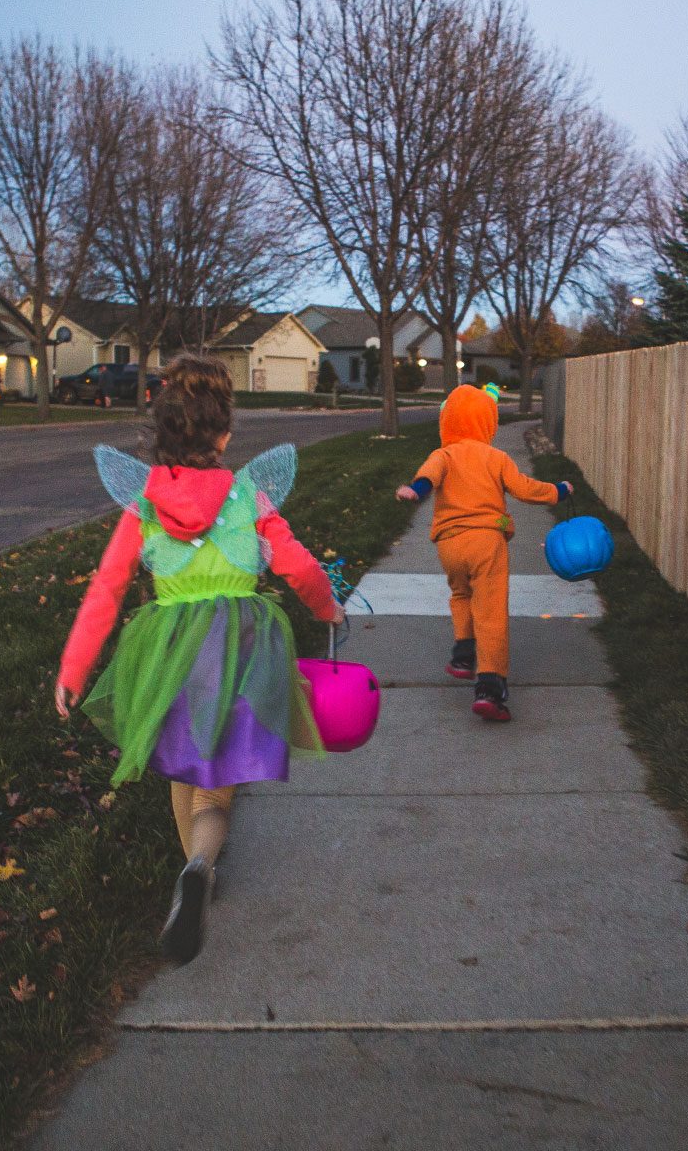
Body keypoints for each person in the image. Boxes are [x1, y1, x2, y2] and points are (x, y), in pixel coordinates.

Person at [54, 354, 344, 963]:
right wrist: (327, 609)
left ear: (161, 434)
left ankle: (194, 872)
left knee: (186, 770)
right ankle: (201, 864)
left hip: (170, 655)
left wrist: (74, 669)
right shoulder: (249, 497)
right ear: (225, 434)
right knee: (218, 794)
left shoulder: (144, 506)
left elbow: (106, 588)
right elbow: (297, 565)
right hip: (240, 650)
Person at [395, 383, 570, 722]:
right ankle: (489, 687)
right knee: (490, 612)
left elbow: (428, 477)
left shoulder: (443, 454)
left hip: (449, 545)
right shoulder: (496, 458)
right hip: (486, 543)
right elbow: (525, 489)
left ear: (447, 421)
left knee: (461, 594)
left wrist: (416, 490)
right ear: (488, 422)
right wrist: (559, 491)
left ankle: (463, 652)